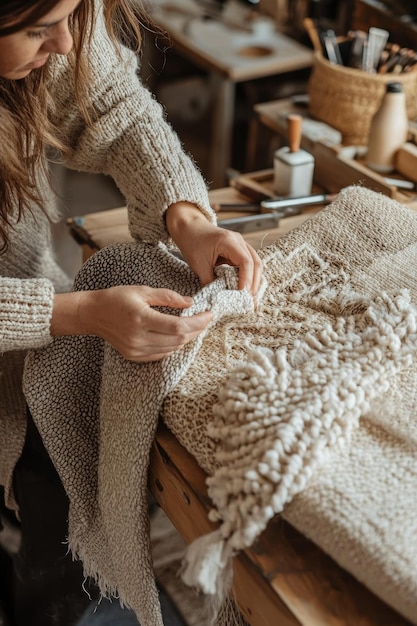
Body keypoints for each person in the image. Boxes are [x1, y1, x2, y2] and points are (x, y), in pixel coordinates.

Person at [0, 0, 263, 625]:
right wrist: (76, 315)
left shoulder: (56, 39)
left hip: (26, 350)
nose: (65, 44)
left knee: (50, 518)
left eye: (73, 16)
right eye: (39, 29)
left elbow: (114, 106)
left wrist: (186, 214)